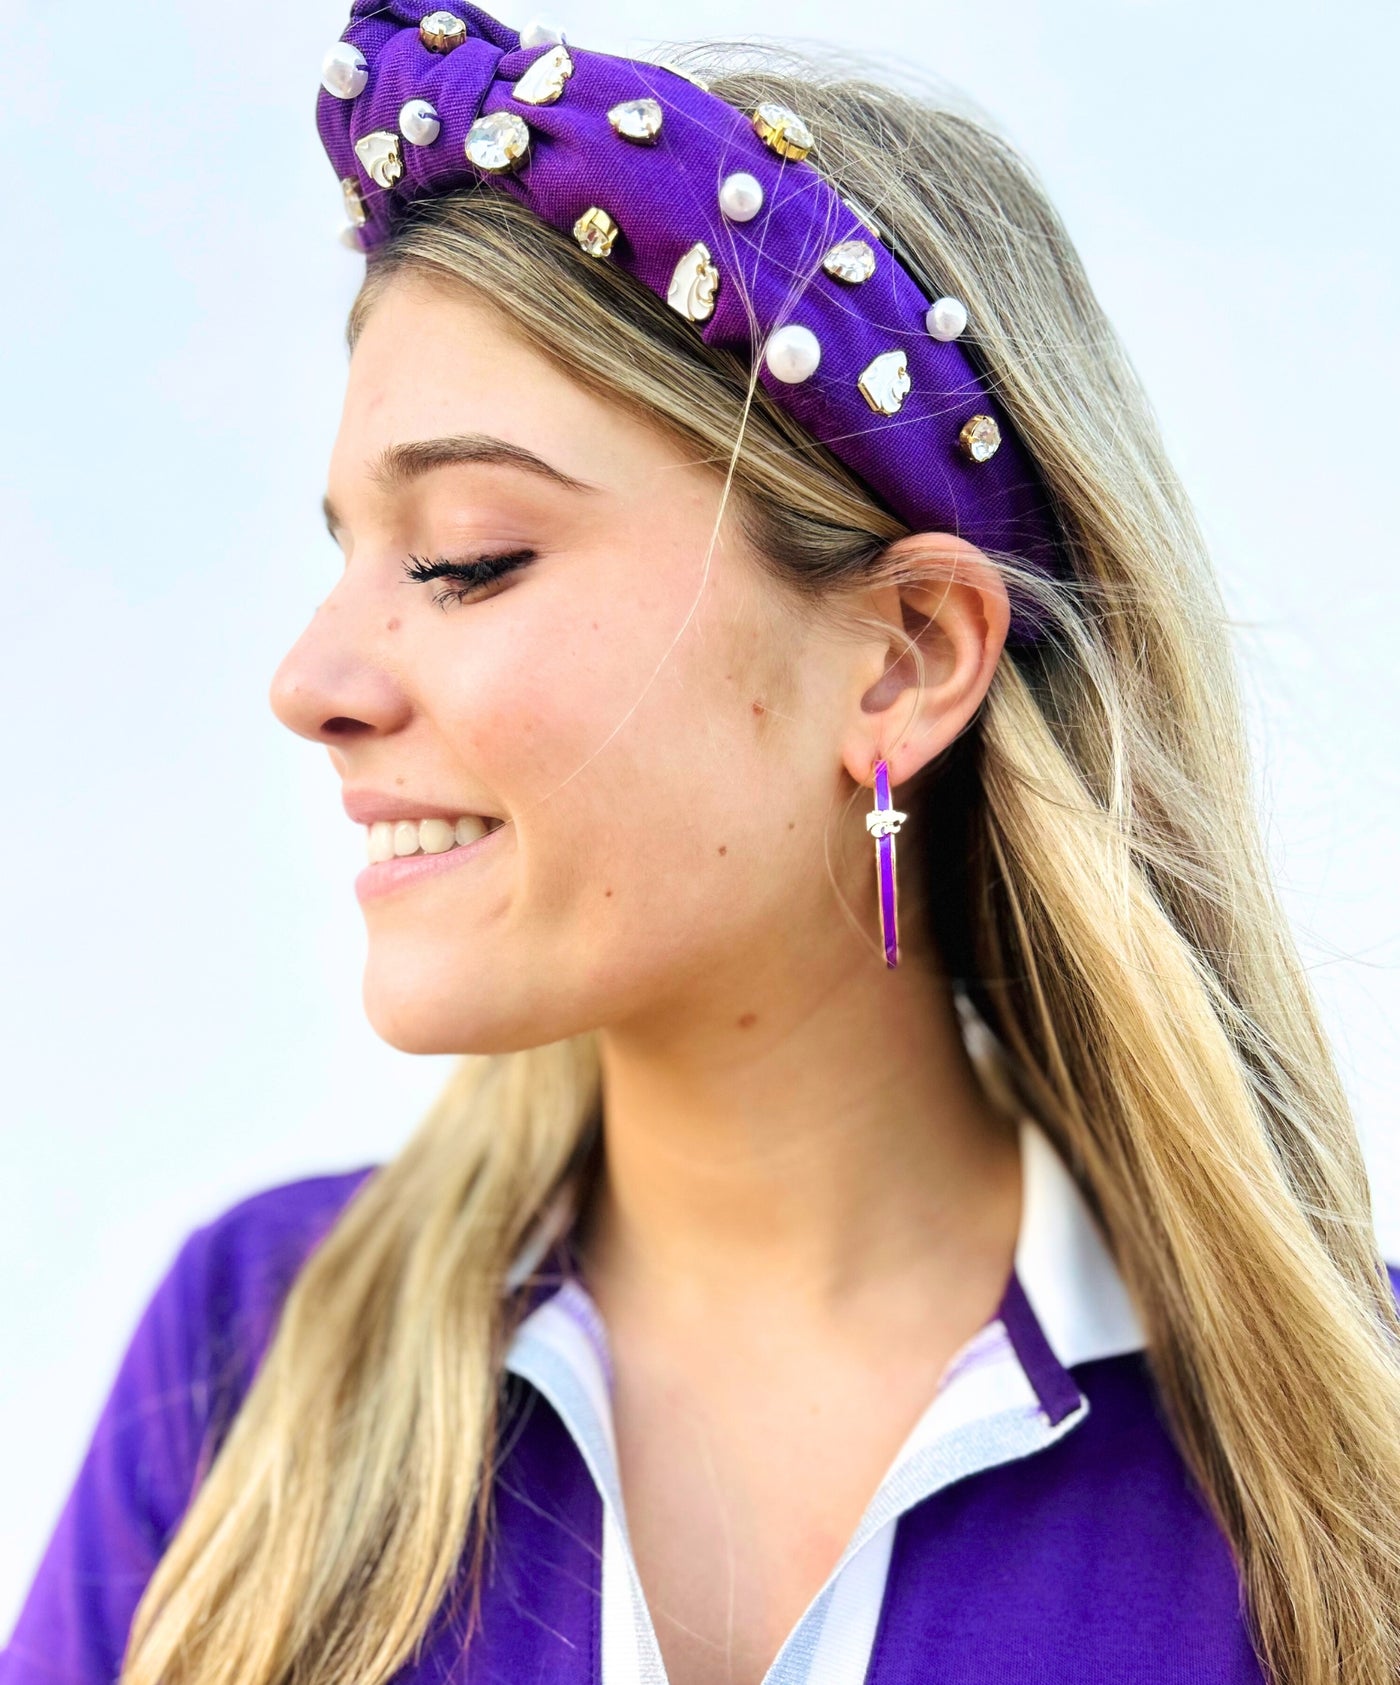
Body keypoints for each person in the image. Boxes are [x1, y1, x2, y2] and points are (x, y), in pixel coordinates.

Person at [5, 5, 1400, 1684]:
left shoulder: (1346, 1474)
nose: (310, 682)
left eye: (465, 556)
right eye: (344, 555)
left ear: (904, 658)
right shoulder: (247, 1365)